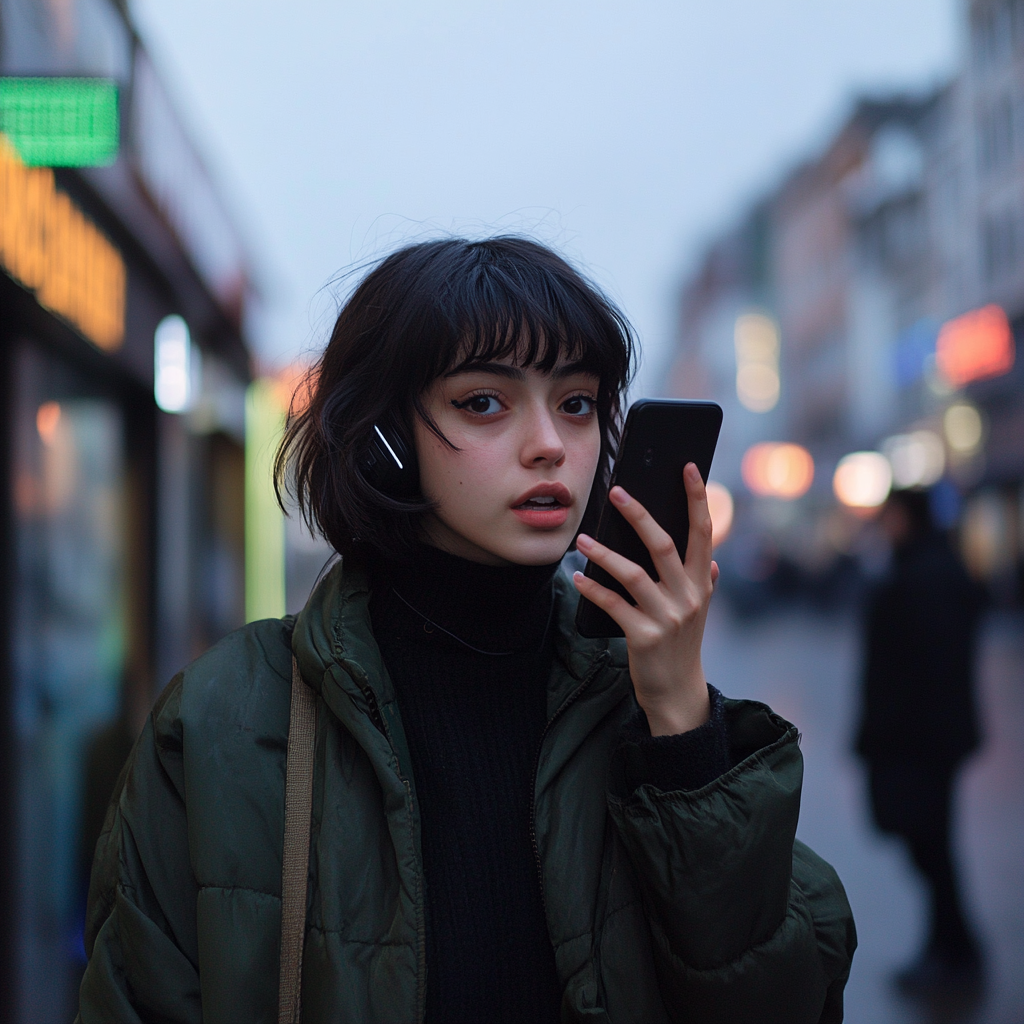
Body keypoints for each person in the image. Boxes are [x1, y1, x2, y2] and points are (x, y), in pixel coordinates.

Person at [78, 237, 855, 1023]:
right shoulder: (221, 722)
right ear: (382, 439)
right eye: (483, 402)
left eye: (577, 403)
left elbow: (786, 995)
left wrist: (685, 730)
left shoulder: (646, 711)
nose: (550, 443)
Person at [857, 487, 983, 997]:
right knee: (932, 847)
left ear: (906, 518)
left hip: (921, 741)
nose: (885, 526)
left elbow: (923, 670)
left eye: (890, 517)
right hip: (933, 738)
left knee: (931, 848)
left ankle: (955, 952)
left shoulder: (921, 575)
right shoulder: (928, 568)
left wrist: (887, 734)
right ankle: (949, 948)